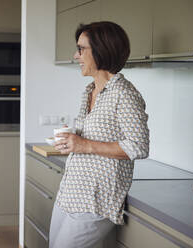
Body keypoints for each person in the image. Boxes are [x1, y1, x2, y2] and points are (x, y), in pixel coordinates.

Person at [49, 21, 150, 248]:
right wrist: (72, 139)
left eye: (81, 49)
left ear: (102, 51)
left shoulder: (125, 95)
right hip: (70, 192)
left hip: (97, 199)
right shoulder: (90, 91)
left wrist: (83, 145)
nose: (76, 56)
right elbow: (92, 138)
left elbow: (138, 146)